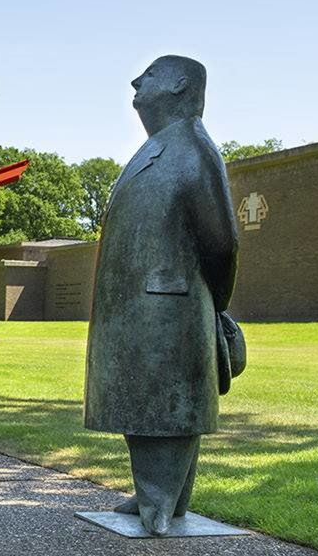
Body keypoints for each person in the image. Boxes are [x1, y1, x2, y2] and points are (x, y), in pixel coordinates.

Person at [83, 56, 240, 536]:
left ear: (179, 85)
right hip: (142, 307)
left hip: (168, 307)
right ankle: (159, 493)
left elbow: (222, 241)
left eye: (150, 74)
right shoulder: (162, 147)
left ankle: (160, 500)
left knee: (162, 403)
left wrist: (214, 304)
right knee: (144, 400)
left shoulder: (193, 149)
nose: (137, 80)